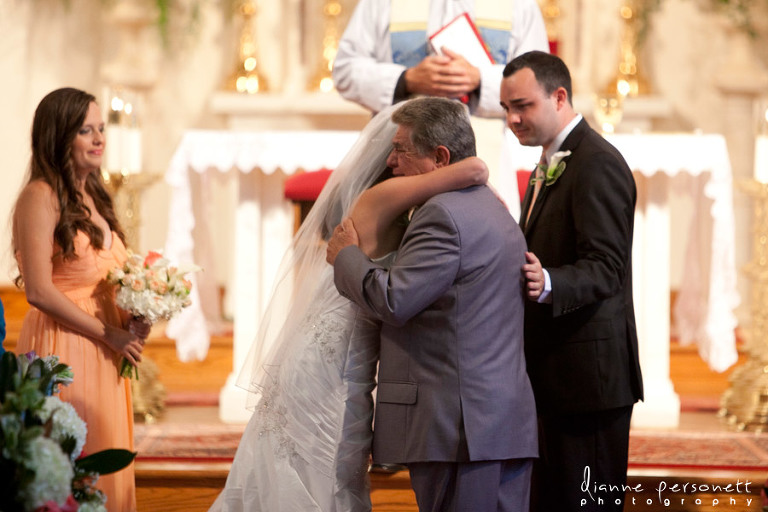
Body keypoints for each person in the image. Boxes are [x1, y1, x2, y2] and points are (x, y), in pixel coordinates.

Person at [209, 101, 490, 512]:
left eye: (401, 150)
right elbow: (475, 170)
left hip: (344, 361)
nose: (394, 159)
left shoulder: (398, 206)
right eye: (392, 150)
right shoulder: (379, 198)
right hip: (330, 362)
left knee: (334, 469)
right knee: (320, 469)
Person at [328, 97, 538, 511]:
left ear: (440, 157)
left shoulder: (442, 214)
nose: (390, 161)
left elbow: (394, 300)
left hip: (459, 430)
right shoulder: (491, 205)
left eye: (402, 149)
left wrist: (346, 256)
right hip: (492, 422)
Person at [500, 51, 644, 511]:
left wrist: (548, 283)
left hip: (591, 382)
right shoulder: (552, 160)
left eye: (522, 105)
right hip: (557, 375)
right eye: (506, 109)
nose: (512, 119)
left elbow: (607, 266)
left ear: (558, 96)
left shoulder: (596, 162)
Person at [12, 87, 148, 512]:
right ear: (58, 136)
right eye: (85, 130)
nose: (98, 138)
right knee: (77, 471)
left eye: (101, 129)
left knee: (107, 468)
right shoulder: (40, 197)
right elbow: (38, 290)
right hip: (66, 346)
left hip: (108, 351)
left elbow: (109, 279)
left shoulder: (96, 196)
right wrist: (108, 333)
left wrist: (137, 315)